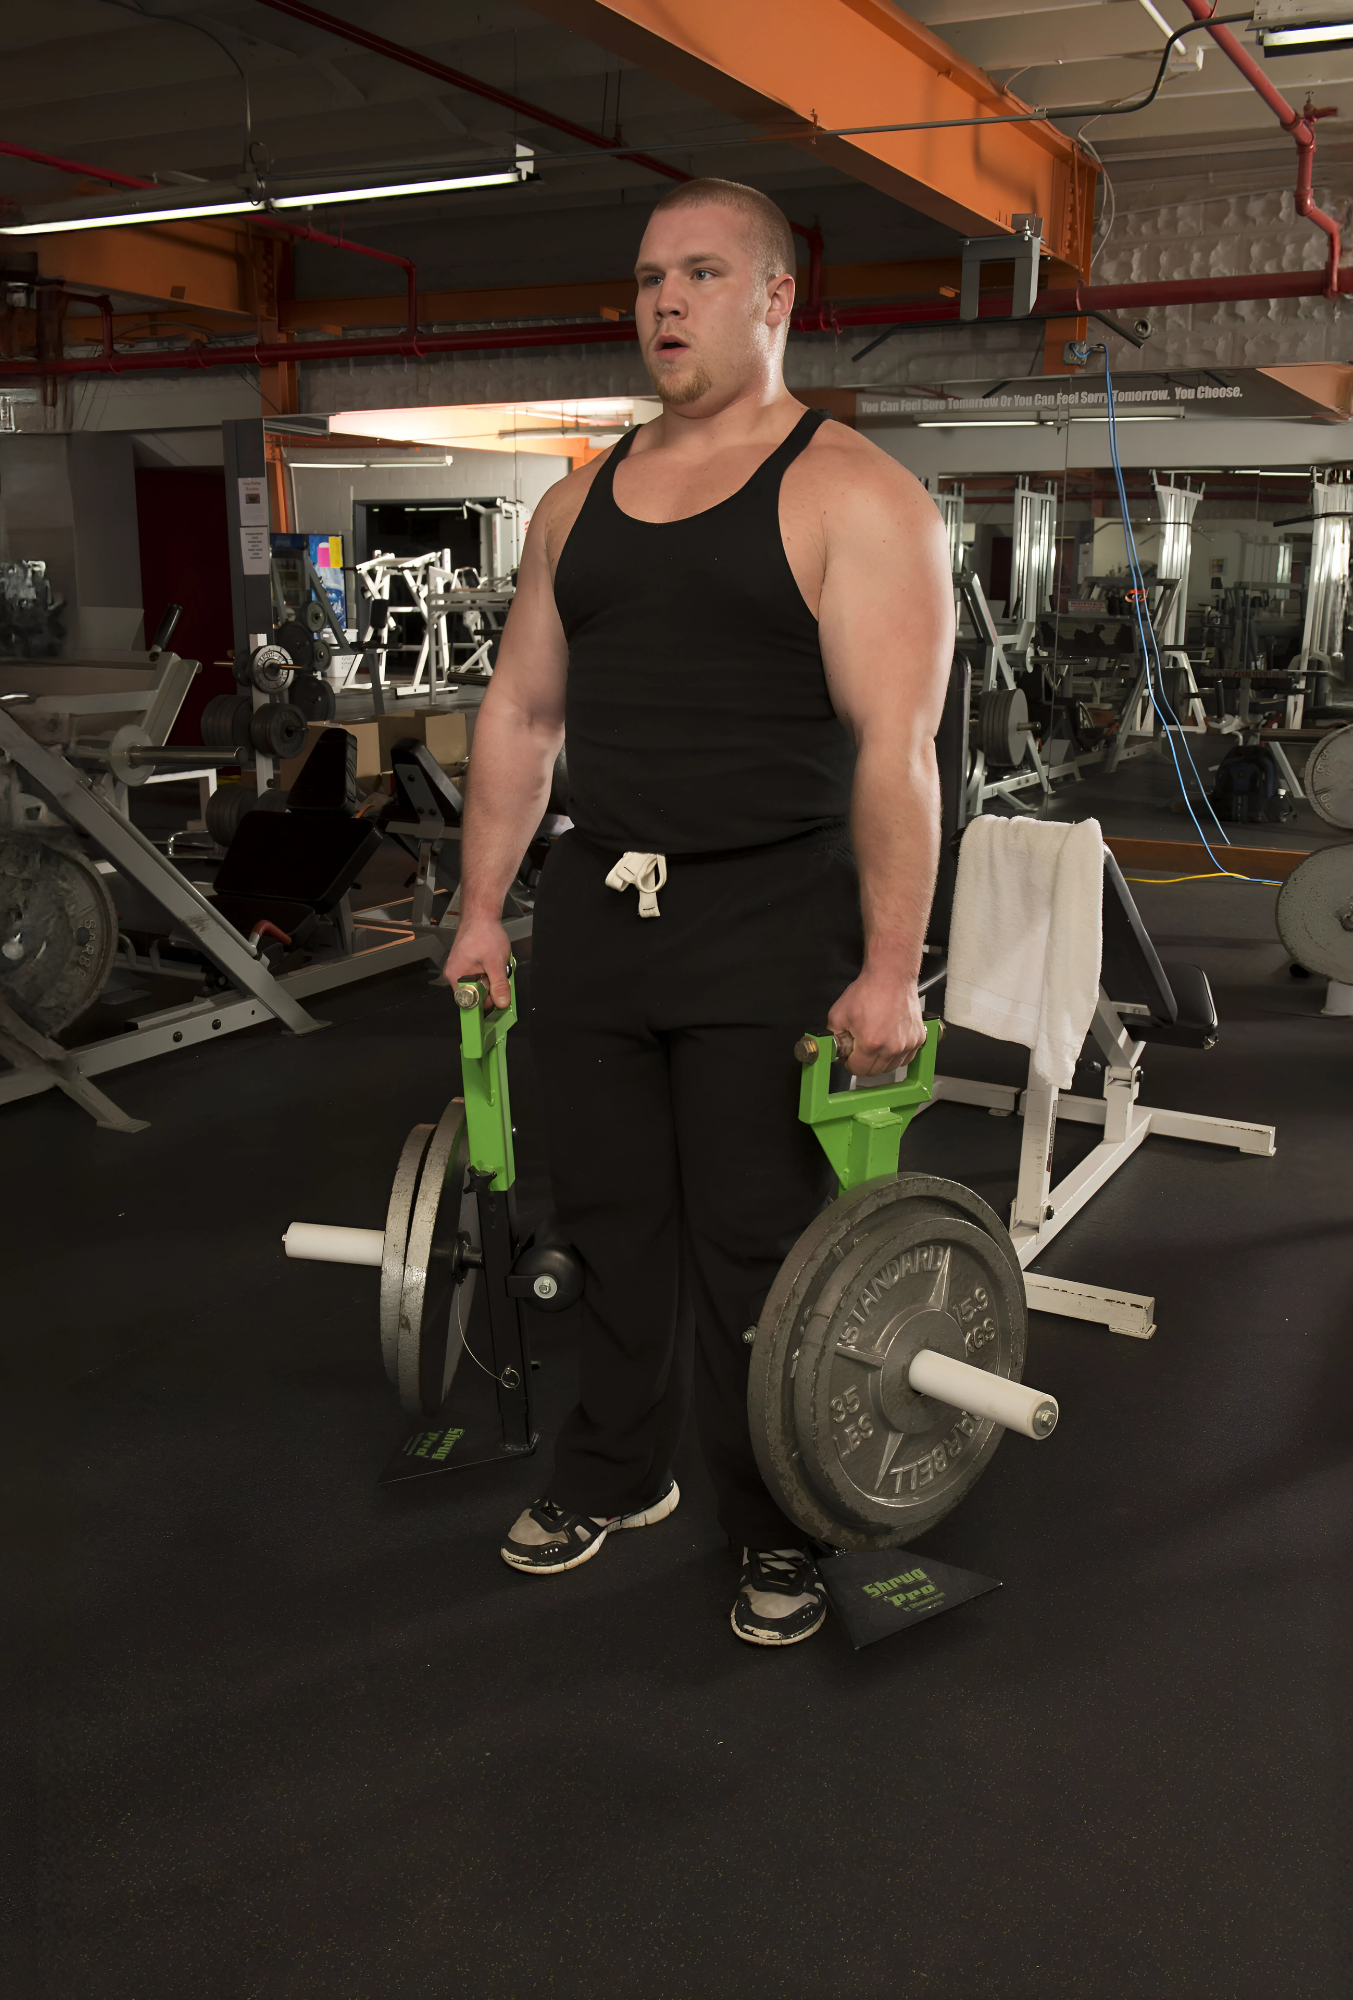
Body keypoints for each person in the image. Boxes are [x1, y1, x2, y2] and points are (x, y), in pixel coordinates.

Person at [442, 177, 955, 1646]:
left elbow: (894, 752)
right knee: (605, 1220)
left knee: (754, 1246)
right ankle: (615, 1470)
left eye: (703, 273)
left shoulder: (853, 491)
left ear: (776, 298)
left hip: (770, 915)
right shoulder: (574, 500)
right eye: (651, 275)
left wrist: (888, 968)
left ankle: (778, 1521)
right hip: (600, 910)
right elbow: (524, 716)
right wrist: (485, 909)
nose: (665, 301)